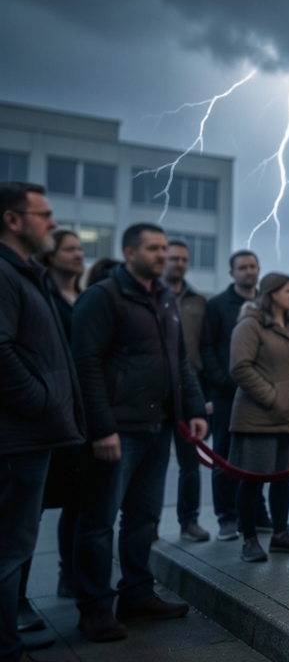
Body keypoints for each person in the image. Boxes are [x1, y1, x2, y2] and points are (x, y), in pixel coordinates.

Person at [71, 224, 208, 643]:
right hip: (117, 431)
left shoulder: (165, 298)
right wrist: (102, 429)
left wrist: (194, 408)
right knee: (99, 521)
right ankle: (95, 609)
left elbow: (179, 361)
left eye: (164, 248)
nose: (161, 255)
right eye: (153, 248)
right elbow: (85, 366)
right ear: (129, 252)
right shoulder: (103, 296)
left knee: (143, 518)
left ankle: (137, 594)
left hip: (158, 428)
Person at [0, 183, 85, 662]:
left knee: (14, 548)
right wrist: (43, 403)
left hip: (30, 434)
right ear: (12, 220)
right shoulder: (5, 274)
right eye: (43, 214)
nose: (52, 222)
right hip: (18, 438)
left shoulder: (25, 273)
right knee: (8, 550)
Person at [228, 273, 289, 562]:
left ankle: (280, 535)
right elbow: (240, 367)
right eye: (288, 290)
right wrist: (273, 398)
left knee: (283, 477)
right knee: (253, 480)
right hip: (257, 418)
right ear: (272, 293)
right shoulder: (249, 324)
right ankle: (249, 539)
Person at [200, 250, 269, 541]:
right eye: (242, 267)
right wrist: (222, 382)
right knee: (224, 457)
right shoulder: (217, 305)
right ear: (232, 273)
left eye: (253, 266)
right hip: (227, 395)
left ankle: (257, 513)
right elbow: (206, 348)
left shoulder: (266, 303)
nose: (249, 271)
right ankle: (227, 517)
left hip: (260, 395)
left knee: (258, 457)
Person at [161, 240, 211, 543]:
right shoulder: (152, 296)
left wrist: (203, 397)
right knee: (150, 466)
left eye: (184, 259)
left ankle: (189, 521)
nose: (179, 263)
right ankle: (148, 522)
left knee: (190, 463)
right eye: (174, 258)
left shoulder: (199, 302)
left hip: (189, 390)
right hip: (156, 391)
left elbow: (206, 348)